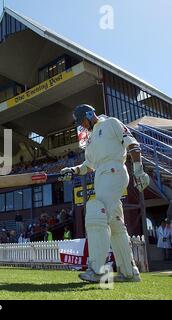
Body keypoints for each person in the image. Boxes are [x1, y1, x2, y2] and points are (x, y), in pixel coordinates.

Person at [61, 104, 150, 283]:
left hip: (114, 170)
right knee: (116, 225)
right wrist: (73, 170)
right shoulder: (91, 139)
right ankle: (129, 272)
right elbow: (88, 165)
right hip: (101, 176)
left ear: (89, 114)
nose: (83, 125)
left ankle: (97, 270)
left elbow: (132, 144)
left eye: (83, 121)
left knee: (95, 213)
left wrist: (139, 171)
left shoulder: (111, 123)